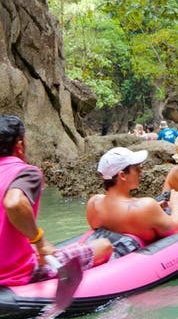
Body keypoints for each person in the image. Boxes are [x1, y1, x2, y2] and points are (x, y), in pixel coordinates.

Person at [0, 115, 112, 286]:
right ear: (20, 144)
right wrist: (39, 241)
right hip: (17, 273)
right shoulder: (26, 172)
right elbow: (14, 203)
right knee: (104, 246)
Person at [86, 147, 178, 242]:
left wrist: (151, 212)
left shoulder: (93, 204)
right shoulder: (146, 206)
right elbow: (174, 229)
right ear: (122, 175)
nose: (140, 172)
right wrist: (176, 208)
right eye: (136, 168)